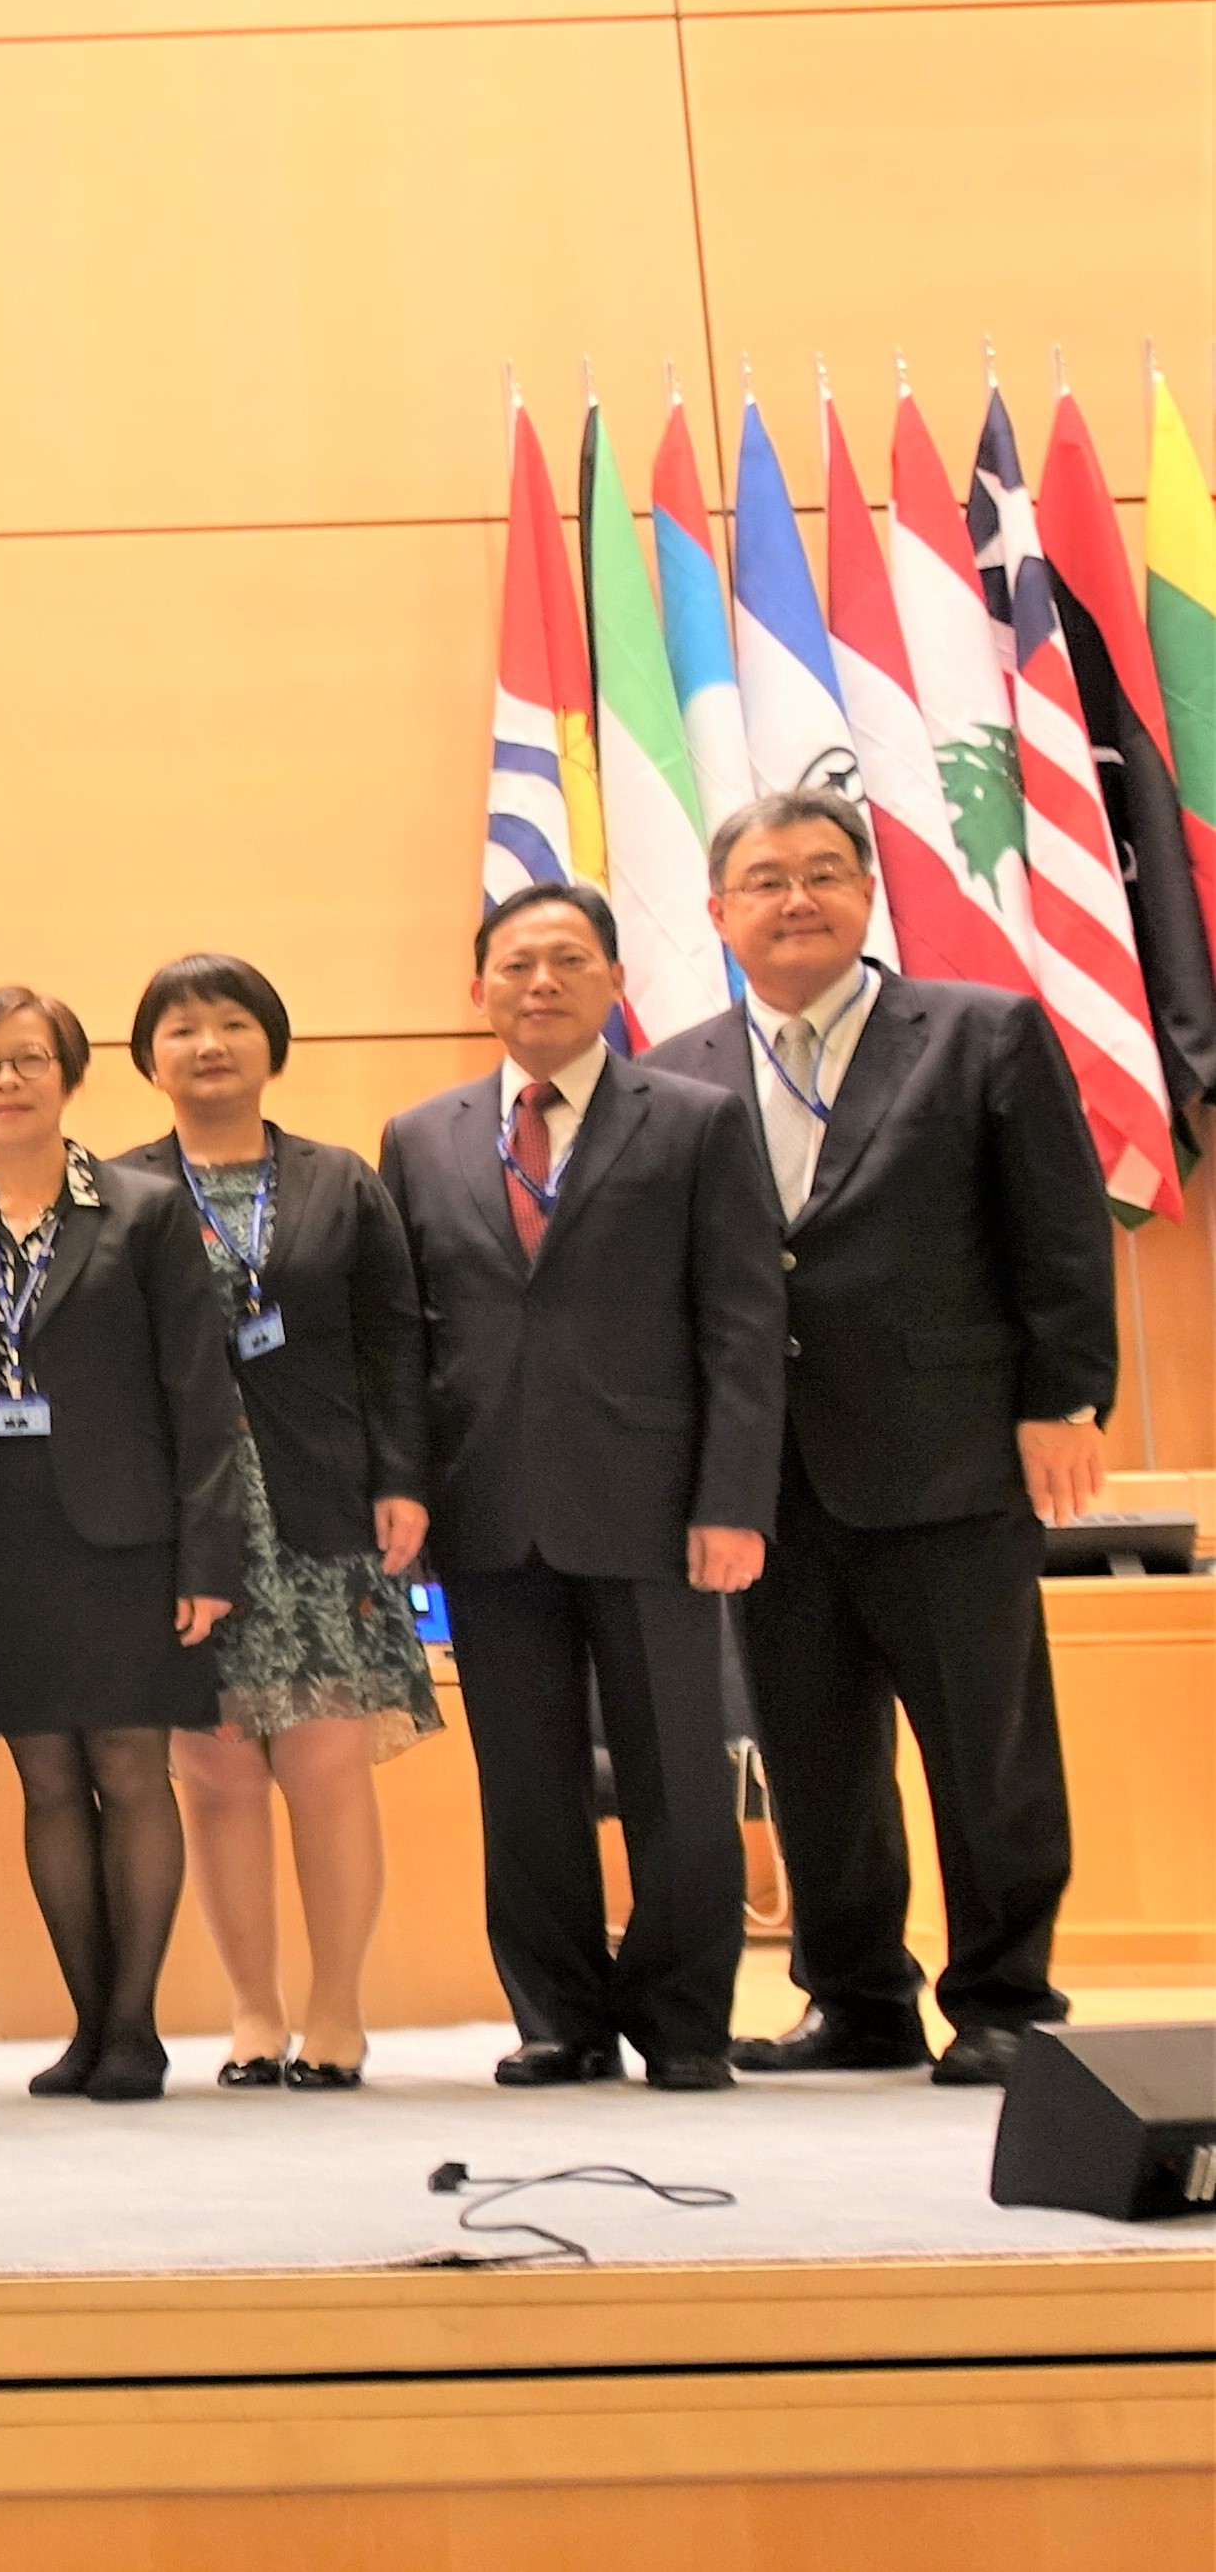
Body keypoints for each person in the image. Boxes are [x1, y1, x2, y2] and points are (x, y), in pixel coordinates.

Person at [643, 789, 1112, 2089]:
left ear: (866, 894)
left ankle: (1007, 1995)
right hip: (765, 1478)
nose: (798, 898)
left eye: (825, 873)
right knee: (811, 1750)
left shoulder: (979, 1034)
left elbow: (1060, 1236)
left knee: (988, 1747)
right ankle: (858, 2000)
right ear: (718, 911)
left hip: (950, 1454)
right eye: (767, 879)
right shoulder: (672, 1072)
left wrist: (1062, 1402)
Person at [377, 881, 782, 2089]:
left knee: (677, 1779)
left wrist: (732, 1498)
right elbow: (401, 1335)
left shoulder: (697, 1119)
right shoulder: (422, 1134)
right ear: (478, 988)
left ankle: (683, 2020)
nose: (538, 982)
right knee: (527, 1783)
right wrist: (403, 1488)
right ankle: (557, 2017)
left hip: (655, 1503)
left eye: (565, 960)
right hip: (488, 1503)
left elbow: (742, 1324)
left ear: (611, 980)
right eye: (514, 963)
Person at [0, 987, 248, 2103]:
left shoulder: (144, 1212)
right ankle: (85, 2022)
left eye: (29, 1060)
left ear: (68, 1075)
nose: (7, 1080)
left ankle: (136, 2029)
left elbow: (200, 1396)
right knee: (46, 1778)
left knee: (129, 1769)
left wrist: (208, 1559)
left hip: (127, 1538)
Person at [114, 953, 439, 2093]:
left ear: (272, 1042)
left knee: (328, 1764)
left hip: (323, 1506)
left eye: (232, 1022)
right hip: (181, 1523)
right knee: (211, 1773)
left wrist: (402, 1479)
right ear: (147, 1056)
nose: (209, 1045)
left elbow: (395, 1342)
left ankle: (336, 2012)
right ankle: (252, 2014)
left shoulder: (339, 1181)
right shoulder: (113, 1191)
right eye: (182, 1027)